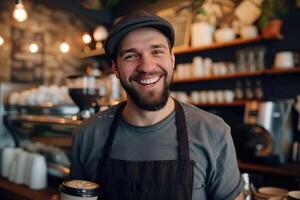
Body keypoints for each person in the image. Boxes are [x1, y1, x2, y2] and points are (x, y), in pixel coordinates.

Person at [51, 10, 244, 200]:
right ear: (116, 69)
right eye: (131, 55)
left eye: (157, 51)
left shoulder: (214, 132)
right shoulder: (87, 134)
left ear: (172, 59)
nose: (147, 66)